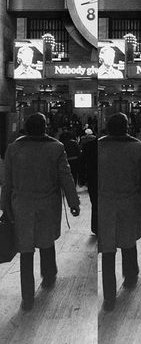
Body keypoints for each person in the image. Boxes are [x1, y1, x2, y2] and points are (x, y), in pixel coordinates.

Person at [0, 113, 80, 310]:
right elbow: (66, 178)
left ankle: (27, 297)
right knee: (46, 241)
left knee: (25, 251)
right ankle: (49, 275)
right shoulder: (56, 148)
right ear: (45, 127)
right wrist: (73, 202)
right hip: (47, 204)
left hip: (22, 205)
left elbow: (7, 182)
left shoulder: (13, 149)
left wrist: (4, 207)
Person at [97, 113, 141, 311]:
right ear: (127, 127)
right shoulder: (138, 147)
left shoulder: (98, 146)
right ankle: (131, 275)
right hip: (129, 202)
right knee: (128, 240)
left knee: (107, 251)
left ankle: (109, 298)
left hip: (105, 202)